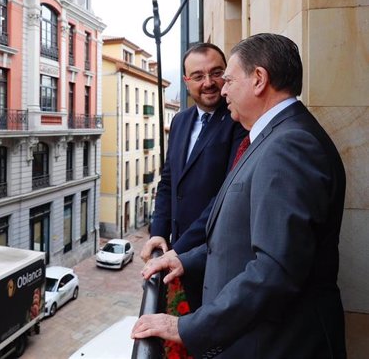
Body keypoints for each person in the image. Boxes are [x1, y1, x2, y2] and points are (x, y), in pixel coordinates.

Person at [132, 33, 346, 358]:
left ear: (259, 79)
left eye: (228, 78)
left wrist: (184, 327)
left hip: (279, 345)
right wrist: (184, 258)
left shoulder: (289, 146)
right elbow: (241, 235)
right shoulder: (271, 136)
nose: (223, 89)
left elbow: (274, 271)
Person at [141, 42, 247, 309]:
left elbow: (226, 196)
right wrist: (158, 232)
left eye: (216, 72)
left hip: (215, 256)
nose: (209, 82)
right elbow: (168, 182)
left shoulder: (239, 121)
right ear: (187, 82)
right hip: (182, 256)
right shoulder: (179, 121)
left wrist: (180, 249)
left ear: (227, 74)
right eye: (198, 76)